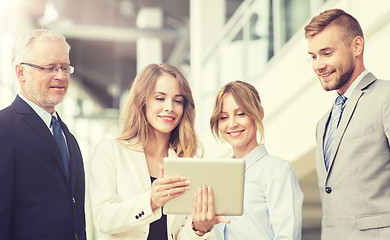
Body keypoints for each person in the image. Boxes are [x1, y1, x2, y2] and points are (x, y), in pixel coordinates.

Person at [89, 63, 228, 240]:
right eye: (160, 98)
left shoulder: (186, 162)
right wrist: (151, 201)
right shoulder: (111, 151)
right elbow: (103, 219)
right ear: (143, 101)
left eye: (177, 100)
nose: (169, 107)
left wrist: (198, 229)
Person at [0, 29, 86, 240]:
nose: (61, 76)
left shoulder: (68, 138)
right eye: (50, 67)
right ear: (20, 72)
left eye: (65, 67)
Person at [305, 8, 390, 239]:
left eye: (327, 53)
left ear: (356, 46)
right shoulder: (323, 124)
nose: (318, 65)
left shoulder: (386, 97)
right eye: (313, 56)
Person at [209, 81, 303, 240]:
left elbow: (287, 236)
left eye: (240, 114)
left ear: (259, 113)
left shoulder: (277, 171)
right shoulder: (217, 177)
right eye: (223, 117)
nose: (232, 124)